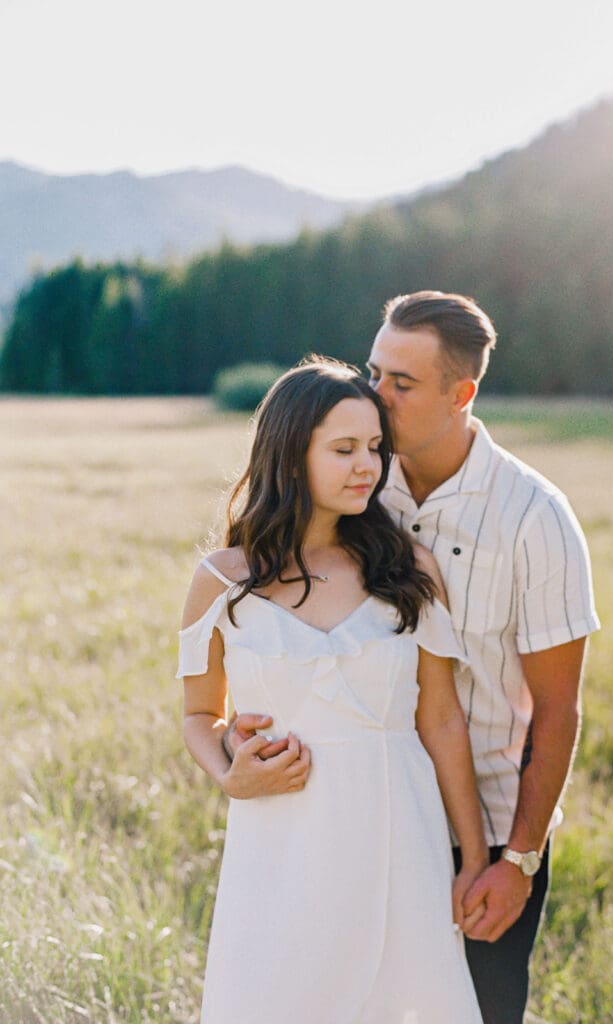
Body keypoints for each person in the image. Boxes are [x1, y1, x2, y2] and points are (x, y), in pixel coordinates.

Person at [225, 292, 601, 1024]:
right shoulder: (357, 483)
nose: (374, 394)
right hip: (362, 812)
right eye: (374, 371)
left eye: (401, 383)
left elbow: (557, 710)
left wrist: (516, 861)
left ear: (461, 394)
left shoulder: (536, 518)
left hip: (489, 830)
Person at [177, 356, 488, 1023]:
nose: (367, 467)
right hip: (280, 838)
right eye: (344, 449)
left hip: (397, 832)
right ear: (290, 456)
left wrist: (474, 856)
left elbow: (441, 719)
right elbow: (200, 714)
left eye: (374, 447)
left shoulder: (407, 567)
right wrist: (229, 776)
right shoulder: (220, 579)